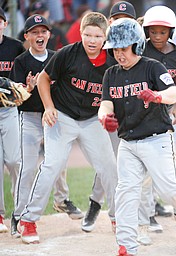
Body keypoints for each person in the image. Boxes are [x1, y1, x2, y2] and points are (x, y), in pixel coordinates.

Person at [100, 17, 176, 256]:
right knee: (126, 191)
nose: (119, 54)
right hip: (128, 143)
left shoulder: (152, 67)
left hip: (157, 138)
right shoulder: (111, 74)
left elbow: (173, 93)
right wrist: (104, 116)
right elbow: (106, 104)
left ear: (137, 46)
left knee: (169, 190)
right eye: (115, 49)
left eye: (124, 48)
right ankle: (127, 246)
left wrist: (157, 96)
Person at [18, 11, 118, 244]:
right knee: (52, 165)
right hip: (62, 115)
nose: (92, 40)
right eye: (87, 35)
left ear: (105, 37)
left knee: (109, 168)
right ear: (80, 33)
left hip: (93, 119)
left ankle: (117, 217)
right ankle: (28, 220)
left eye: (97, 36)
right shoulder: (68, 53)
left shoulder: (113, 59)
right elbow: (43, 79)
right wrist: (49, 107)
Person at [9, 14, 83, 238]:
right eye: (35, 32)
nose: (39, 35)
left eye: (43, 31)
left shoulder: (56, 57)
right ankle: (19, 215)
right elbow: (15, 98)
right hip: (30, 117)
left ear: (50, 35)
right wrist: (29, 88)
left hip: (53, 117)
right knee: (28, 168)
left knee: (57, 162)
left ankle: (62, 199)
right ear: (27, 36)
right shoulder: (21, 62)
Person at [137, 5, 176, 245]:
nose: (158, 37)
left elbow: (174, 84)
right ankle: (144, 221)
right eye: (153, 32)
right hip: (144, 118)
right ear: (146, 31)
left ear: (171, 32)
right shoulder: (139, 50)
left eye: (163, 32)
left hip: (168, 116)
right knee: (145, 176)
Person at [80, 1, 133, 233]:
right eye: (116, 17)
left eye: (125, 18)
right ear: (109, 21)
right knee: (108, 162)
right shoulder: (102, 44)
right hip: (100, 112)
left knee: (119, 163)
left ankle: (145, 208)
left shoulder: (134, 44)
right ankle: (95, 204)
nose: (120, 21)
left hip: (127, 110)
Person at [0, 7, 25, 233]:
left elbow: (24, 72)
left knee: (16, 161)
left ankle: (19, 212)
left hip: (9, 110)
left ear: (4, 24)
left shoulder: (15, 47)